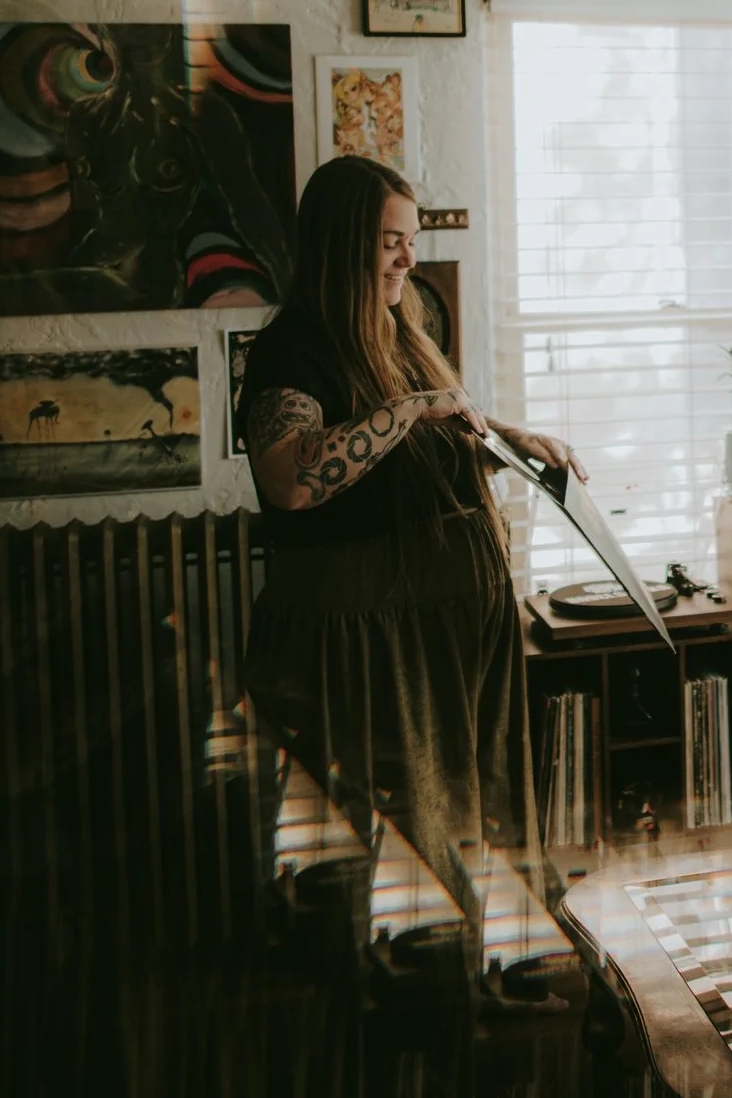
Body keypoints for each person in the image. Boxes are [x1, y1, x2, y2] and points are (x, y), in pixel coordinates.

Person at [238, 154, 582, 904]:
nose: (408, 255)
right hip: (370, 644)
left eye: (411, 238)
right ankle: (435, 995)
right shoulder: (292, 348)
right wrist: (408, 409)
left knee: (477, 823)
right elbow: (290, 481)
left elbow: (419, 452)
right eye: (391, 239)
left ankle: (504, 975)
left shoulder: (399, 331)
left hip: (445, 633)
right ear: (340, 241)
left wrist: (508, 440)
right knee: (405, 846)